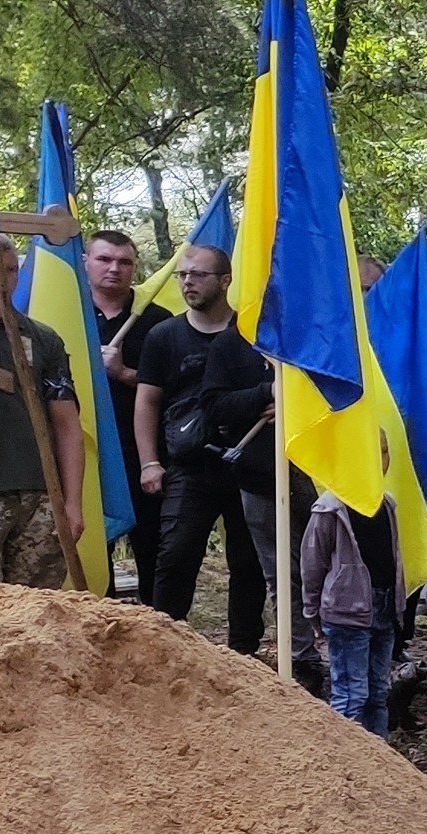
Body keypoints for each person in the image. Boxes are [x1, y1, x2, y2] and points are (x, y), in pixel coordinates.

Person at [136, 244, 273, 650]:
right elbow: (147, 402)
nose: (187, 282)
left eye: (198, 274)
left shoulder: (254, 334)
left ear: (226, 280)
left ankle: (242, 652)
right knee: (176, 555)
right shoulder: (164, 336)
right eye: (183, 275)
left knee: (248, 563)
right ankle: (164, 647)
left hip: (250, 464)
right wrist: (149, 462)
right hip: (191, 465)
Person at [0, 259, 84, 590]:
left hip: (39, 495)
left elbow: (66, 424)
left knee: (38, 607)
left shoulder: (42, 337)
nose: (1, 276)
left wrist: (72, 502)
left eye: (10, 268)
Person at [87, 230, 172, 602]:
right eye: (104, 259)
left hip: (145, 454)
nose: (114, 269)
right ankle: (98, 620)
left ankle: (156, 624)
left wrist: (123, 373)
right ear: (85, 262)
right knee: (93, 549)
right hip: (88, 452)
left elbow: (178, 388)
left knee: (154, 547)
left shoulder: (158, 320)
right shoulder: (67, 311)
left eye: (124, 262)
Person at [297, 475, 402, 738]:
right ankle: (342, 754)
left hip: (385, 607)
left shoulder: (387, 503)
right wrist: (312, 609)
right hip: (346, 612)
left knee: (379, 691)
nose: (379, 462)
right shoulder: (329, 508)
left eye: (384, 455)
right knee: (351, 694)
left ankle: (379, 752)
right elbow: (312, 563)